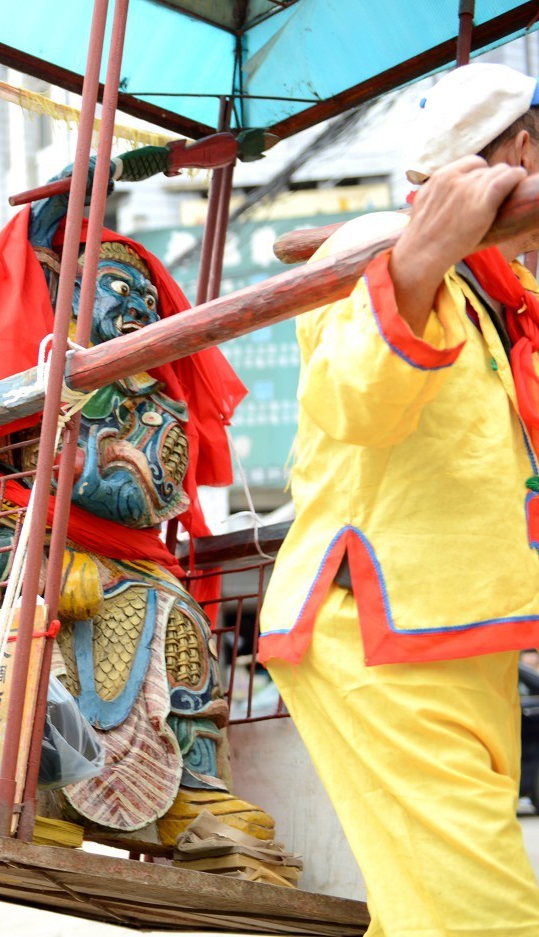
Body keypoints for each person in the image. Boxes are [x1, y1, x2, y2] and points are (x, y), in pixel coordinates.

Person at [259, 61, 539, 935]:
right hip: (377, 637)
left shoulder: (504, 295)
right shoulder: (377, 252)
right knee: (482, 920)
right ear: (523, 151)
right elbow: (353, 398)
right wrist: (421, 254)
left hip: (467, 641)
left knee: (431, 912)